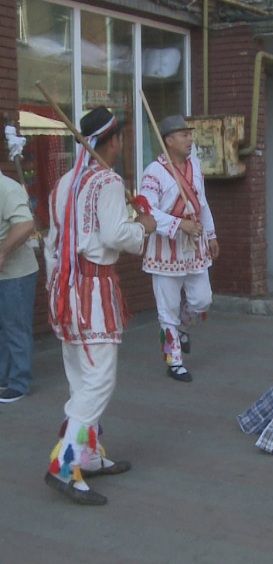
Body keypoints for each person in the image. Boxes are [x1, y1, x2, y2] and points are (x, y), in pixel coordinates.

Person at [43, 107, 157, 505]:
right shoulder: (107, 181)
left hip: (66, 290)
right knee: (98, 380)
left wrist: (55, 288)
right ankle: (64, 462)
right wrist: (143, 224)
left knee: (81, 376)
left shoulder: (64, 183)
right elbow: (115, 235)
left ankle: (88, 456)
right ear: (113, 141)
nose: (123, 145)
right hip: (91, 291)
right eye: (122, 138)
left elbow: (52, 244)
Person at [139, 115, 219, 383]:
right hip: (164, 248)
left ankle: (183, 328)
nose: (190, 139)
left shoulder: (195, 165)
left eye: (189, 134)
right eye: (184, 134)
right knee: (167, 306)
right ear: (169, 140)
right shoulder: (153, 172)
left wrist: (211, 234)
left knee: (202, 299)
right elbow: (147, 212)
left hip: (195, 246)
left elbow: (202, 203)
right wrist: (178, 224)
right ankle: (173, 360)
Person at [0, 170, 38, 403]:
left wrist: (3, 251)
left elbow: (25, 224)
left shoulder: (7, 187)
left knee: (15, 327)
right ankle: (4, 377)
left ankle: (19, 382)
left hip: (17, 274)